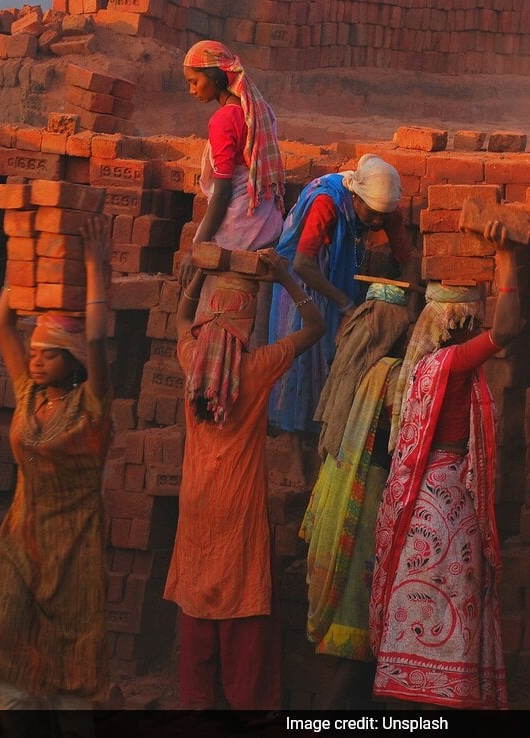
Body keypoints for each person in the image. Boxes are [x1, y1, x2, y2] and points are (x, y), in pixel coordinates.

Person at [0, 215, 113, 730]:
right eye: (35, 351)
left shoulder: (93, 408)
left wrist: (94, 269)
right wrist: (23, 267)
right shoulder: (27, 393)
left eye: (49, 353)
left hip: (74, 556)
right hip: (18, 546)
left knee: (71, 680)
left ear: (74, 361)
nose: (36, 358)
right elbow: (3, 324)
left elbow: (98, 335)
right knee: (5, 664)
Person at [164, 249, 325, 710]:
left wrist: (196, 278)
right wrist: (287, 280)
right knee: (242, 609)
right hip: (239, 508)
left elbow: (180, 320)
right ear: (247, 325)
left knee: (197, 605)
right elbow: (315, 328)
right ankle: (247, 704)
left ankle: (198, 706)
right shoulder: (254, 369)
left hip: (194, 504)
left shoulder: (193, 360)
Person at [369, 222, 518, 710]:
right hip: (449, 502)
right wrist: (507, 261)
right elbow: (508, 330)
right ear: (457, 322)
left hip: (422, 505)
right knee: (453, 597)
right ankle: (440, 699)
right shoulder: (453, 363)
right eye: (473, 318)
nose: (479, 326)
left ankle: (410, 692)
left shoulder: (421, 368)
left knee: (421, 606)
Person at [268, 153, 420, 488]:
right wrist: (345, 304)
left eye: (383, 217)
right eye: (372, 216)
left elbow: (407, 259)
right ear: (355, 198)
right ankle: (297, 459)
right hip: (302, 282)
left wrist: (410, 309)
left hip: (341, 282)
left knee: (337, 363)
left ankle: (329, 452)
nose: (377, 224)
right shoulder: (327, 203)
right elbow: (304, 264)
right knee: (302, 364)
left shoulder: (383, 207)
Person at [302, 281, 412, 709]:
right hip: (367, 506)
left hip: (341, 496)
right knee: (361, 618)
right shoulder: (391, 377)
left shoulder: (352, 369)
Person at [182, 40, 286, 346]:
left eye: (195, 82)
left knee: (219, 325)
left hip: (237, 229)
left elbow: (223, 190)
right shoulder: (257, 109)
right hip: (266, 223)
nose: (193, 90)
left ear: (214, 77)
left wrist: (197, 248)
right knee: (257, 331)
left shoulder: (225, 119)